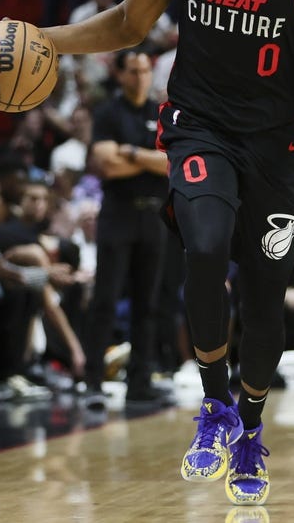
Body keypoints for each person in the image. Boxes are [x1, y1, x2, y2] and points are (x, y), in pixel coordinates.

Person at [28, 0, 294, 505]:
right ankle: (214, 407)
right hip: (199, 128)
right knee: (203, 247)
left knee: (265, 300)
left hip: (277, 148)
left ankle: (251, 429)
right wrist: (45, 39)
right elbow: (126, 25)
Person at [86, 49, 172, 407]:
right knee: (105, 300)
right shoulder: (107, 113)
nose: (140, 77)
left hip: (154, 217)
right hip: (117, 214)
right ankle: (91, 382)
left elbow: (174, 163)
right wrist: (149, 160)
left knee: (147, 304)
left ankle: (140, 382)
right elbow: (105, 165)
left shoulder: (163, 113)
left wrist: (132, 154)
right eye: (133, 71)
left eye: (145, 70)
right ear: (120, 75)